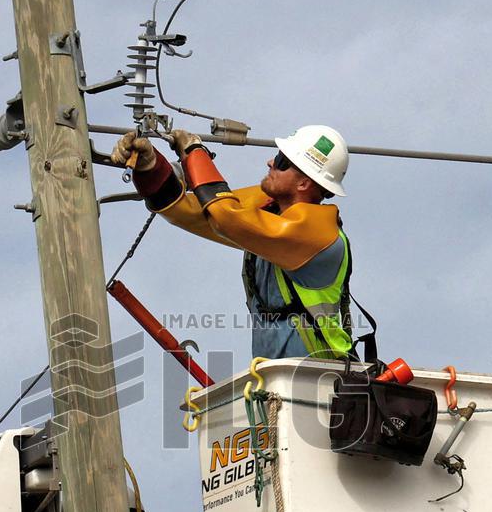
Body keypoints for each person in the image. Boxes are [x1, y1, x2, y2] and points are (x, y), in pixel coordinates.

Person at [111, 125, 355, 359]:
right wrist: (150, 167)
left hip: (322, 377)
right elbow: (189, 210)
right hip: (278, 378)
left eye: (281, 161)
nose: (270, 162)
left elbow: (225, 216)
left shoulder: (317, 232)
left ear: (304, 183)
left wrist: (196, 152)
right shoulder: (271, 212)